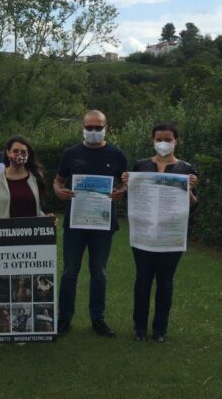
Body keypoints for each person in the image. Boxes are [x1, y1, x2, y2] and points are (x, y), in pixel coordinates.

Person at [121, 121, 198, 343]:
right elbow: (131, 197)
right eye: (159, 139)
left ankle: (160, 329)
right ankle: (139, 328)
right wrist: (126, 184)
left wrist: (189, 189)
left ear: (176, 141)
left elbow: (193, 205)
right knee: (142, 281)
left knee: (165, 282)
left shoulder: (186, 169)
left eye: (168, 139)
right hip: (143, 235)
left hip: (170, 237)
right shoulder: (141, 165)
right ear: (152, 140)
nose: (163, 143)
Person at [54, 110, 128, 338]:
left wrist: (121, 191)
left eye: (98, 127)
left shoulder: (117, 154)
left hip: (102, 224)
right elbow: (58, 181)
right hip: (75, 223)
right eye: (89, 127)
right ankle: (64, 318)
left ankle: (98, 319)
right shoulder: (70, 154)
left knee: (99, 273)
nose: (94, 131)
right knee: (69, 272)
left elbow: (126, 182)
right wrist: (59, 191)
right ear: (82, 128)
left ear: (107, 128)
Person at [0, 136, 51, 219]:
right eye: (15, 151)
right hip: (5, 227)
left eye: (23, 152)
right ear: (8, 153)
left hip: (32, 227)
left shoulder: (36, 176)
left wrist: (47, 219)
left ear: (28, 155)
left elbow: (37, 210)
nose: (19, 155)